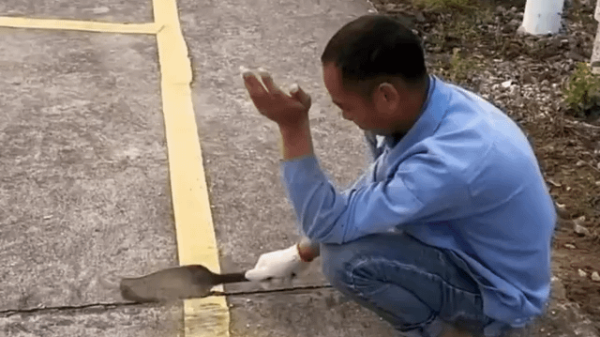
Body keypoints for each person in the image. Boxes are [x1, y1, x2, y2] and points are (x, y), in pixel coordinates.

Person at [239, 14, 557, 337]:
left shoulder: (447, 163)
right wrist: (302, 253)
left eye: (345, 106)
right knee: (347, 229)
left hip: (497, 294)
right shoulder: (430, 106)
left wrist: (292, 128)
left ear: (387, 96)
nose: (343, 115)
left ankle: (444, 332)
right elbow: (371, 187)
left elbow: (331, 224)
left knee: (346, 260)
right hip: (478, 251)